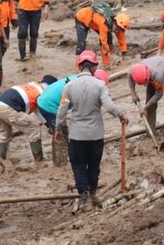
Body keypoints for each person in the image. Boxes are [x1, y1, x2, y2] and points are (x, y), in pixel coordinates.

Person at [56, 50, 127, 212]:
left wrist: (58, 128)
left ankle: (84, 197)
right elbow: (109, 106)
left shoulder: (69, 86)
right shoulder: (100, 85)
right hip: (96, 135)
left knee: (78, 165)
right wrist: (121, 116)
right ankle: (93, 192)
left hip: (76, 135)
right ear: (94, 67)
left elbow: (62, 110)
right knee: (94, 165)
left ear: (79, 66)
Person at [0, 75, 57, 164]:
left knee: (5, 134)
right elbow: (44, 110)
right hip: (8, 109)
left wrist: (47, 124)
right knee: (33, 129)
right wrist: (51, 125)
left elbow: (37, 110)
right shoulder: (43, 92)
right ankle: (39, 161)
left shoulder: (34, 86)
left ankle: (0, 160)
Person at [36, 72, 81, 166]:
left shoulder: (78, 78)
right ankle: (60, 163)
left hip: (47, 99)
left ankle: (68, 156)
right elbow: (64, 107)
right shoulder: (79, 87)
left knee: (62, 130)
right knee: (60, 132)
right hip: (48, 105)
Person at [75, 2, 130, 67]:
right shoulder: (104, 23)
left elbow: (122, 40)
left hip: (94, 23)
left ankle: (106, 63)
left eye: (120, 29)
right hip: (82, 18)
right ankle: (79, 66)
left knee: (109, 38)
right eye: (117, 28)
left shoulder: (119, 27)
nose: (117, 31)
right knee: (81, 43)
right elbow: (103, 41)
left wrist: (124, 54)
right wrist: (109, 55)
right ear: (115, 22)